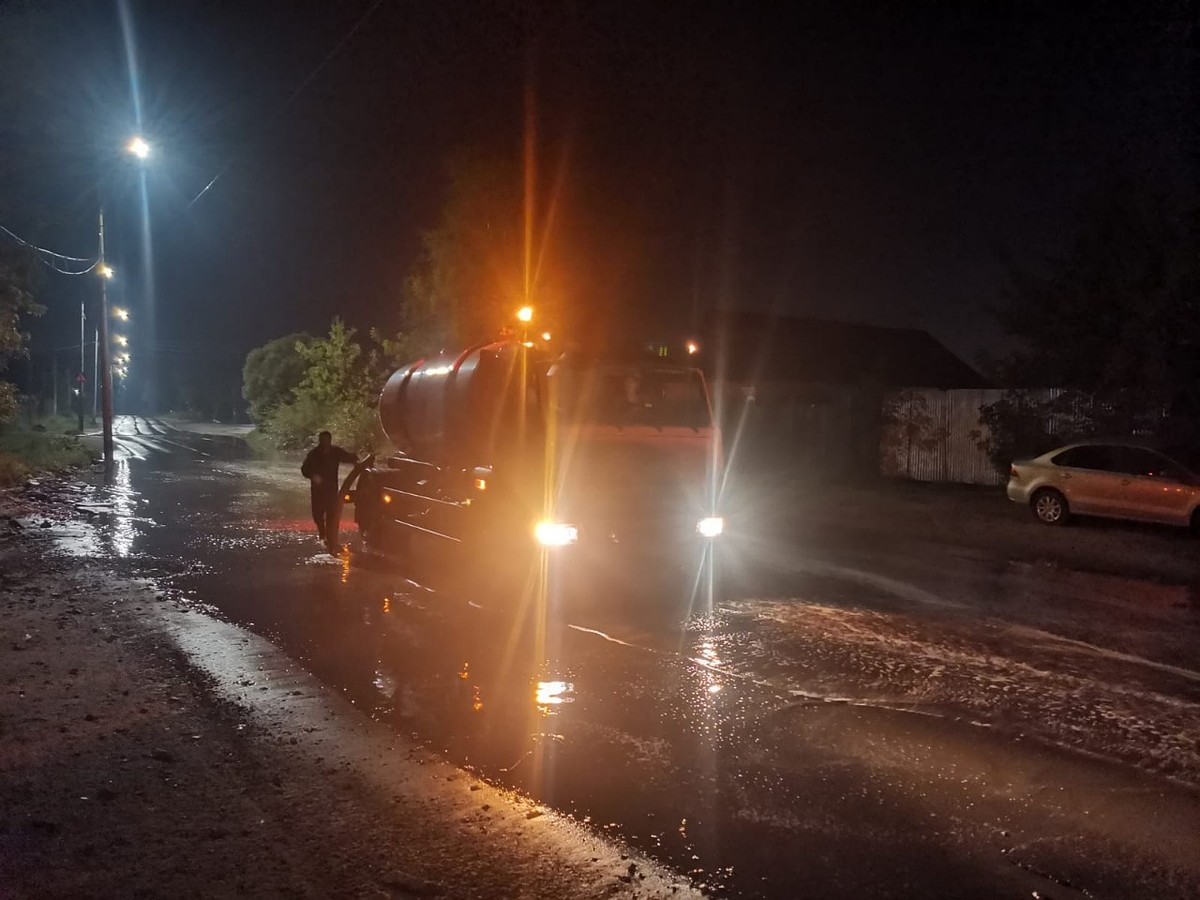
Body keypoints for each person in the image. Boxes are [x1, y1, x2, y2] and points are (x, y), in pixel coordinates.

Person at [301, 431, 358, 553]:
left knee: (332, 515)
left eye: (328, 440)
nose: (326, 443)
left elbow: (348, 457)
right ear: (320, 441)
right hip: (317, 492)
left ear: (330, 441)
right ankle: (322, 534)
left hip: (331, 490)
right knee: (318, 516)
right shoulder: (313, 455)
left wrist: (356, 461)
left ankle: (331, 540)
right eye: (324, 441)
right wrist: (313, 476)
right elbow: (304, 469)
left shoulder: (335, 452)